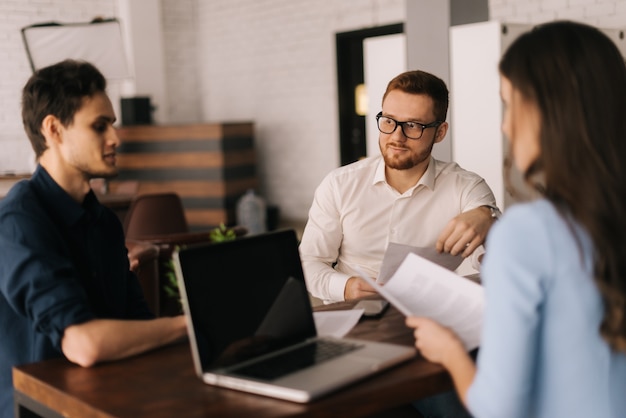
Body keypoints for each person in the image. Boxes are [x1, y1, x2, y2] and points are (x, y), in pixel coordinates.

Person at [406, 20, 626, 418]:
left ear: (548, 112)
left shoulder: (529, 231)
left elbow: (497, 409)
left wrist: (450, 353)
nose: (505, 125)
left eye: (510, 104)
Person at [0, 60, 187, 418]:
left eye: (112, 125)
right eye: (99, 127)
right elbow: (83, 344)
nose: (115, 138)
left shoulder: (103, 221)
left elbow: (140, 324)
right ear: (53, 129)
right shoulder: (20, 220)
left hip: (105, 394)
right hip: (42, 408)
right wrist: (189, 324)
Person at [299, 70, 499, 305]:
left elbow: (495, 262)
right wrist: (346, 287)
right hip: (352, 317)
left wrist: (491, 221)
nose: (396, 136)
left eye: (413, 125)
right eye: (389, 121)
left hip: (429, 319)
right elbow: (308, 263)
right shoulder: (339, 184)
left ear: (440, 133)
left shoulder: (467, 187)